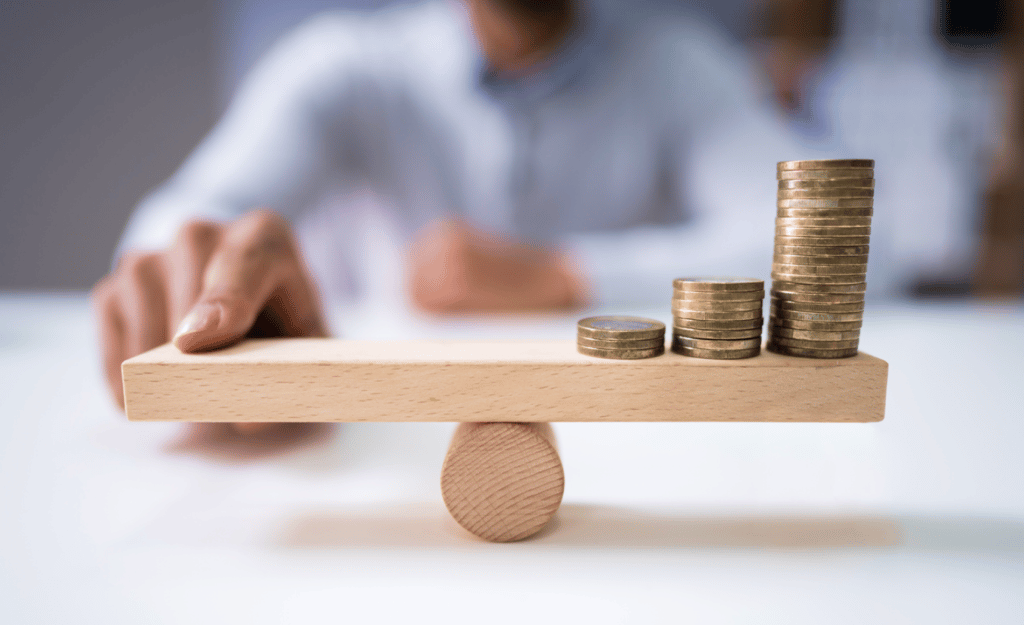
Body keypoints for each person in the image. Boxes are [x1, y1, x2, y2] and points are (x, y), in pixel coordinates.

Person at [93, 0, 806, 419]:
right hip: (363, 449)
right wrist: (184, 281)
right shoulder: (346, 63)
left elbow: (853, 254)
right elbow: (187, 216)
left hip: (641, 443)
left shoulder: (681, 68)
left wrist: (568, 275)